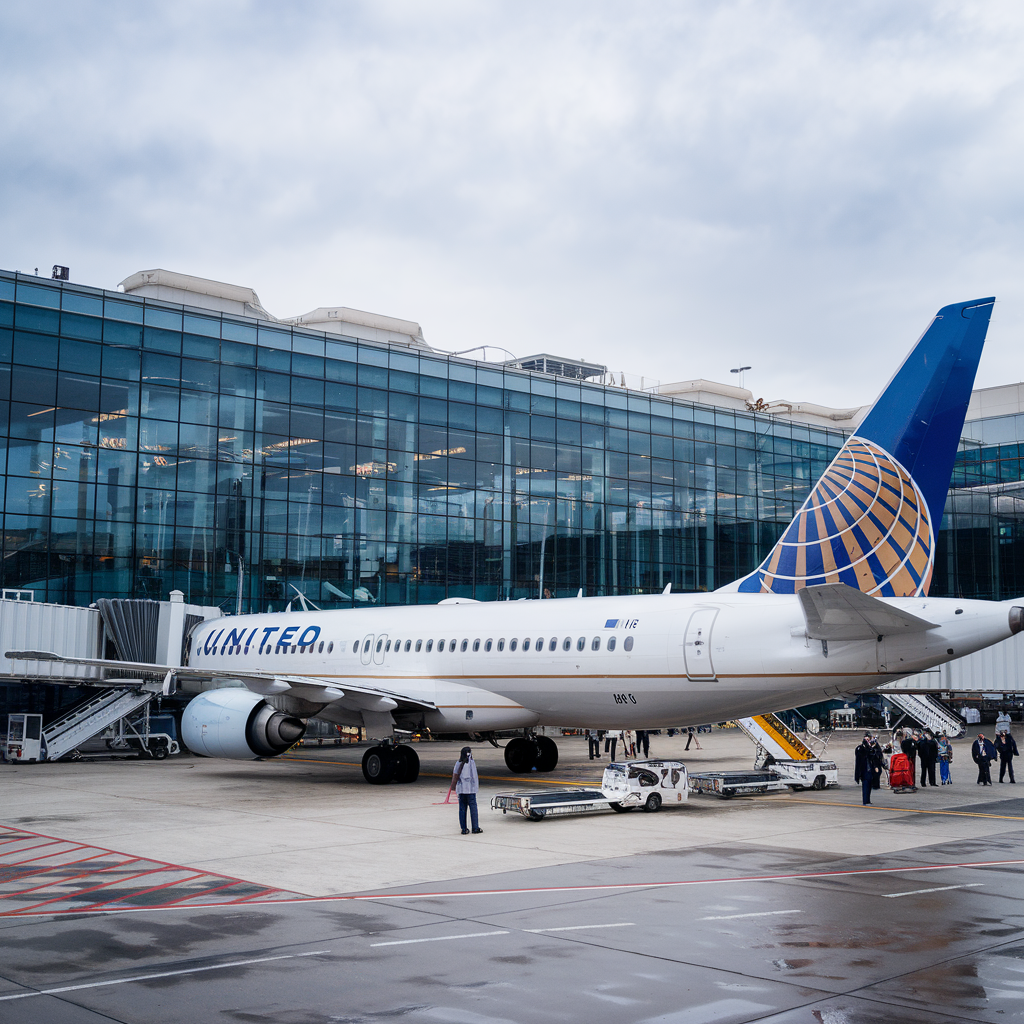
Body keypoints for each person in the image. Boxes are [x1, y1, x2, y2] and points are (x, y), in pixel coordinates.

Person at [452, 746, 483, 834]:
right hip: (470, 790)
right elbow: (474, 776)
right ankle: (475, 827)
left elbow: (455, 775)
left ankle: (464, 829)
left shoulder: (458, 763)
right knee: (473, 808)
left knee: (462, 809)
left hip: (461, 791)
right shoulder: (471, 763)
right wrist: (475, 788)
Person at [855, 732, 883, 805]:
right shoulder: (860, 748)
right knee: (866, 785)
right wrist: (867, 746)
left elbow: (876, 756)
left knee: (870, 785)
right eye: (866, 738)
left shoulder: (872, 748)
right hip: (864, 770)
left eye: (869, 738)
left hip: (871, 769)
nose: (868, 739)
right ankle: (865, 801)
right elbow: (861, 754)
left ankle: (868, 800)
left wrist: (874, 747)